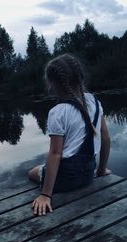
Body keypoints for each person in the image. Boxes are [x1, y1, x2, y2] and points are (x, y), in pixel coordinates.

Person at [28, 54, 111, 216]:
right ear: (80, 77)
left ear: (52, 83)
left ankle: (45, 181)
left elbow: (55, 153)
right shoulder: (94, 101)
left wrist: (45, 195)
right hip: (88, 174)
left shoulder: (57, 112)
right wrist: (101, 170)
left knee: (31, 172)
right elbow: (106, 138)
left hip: (65, 180)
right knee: (45, 166)